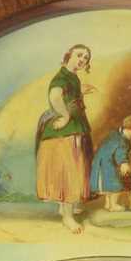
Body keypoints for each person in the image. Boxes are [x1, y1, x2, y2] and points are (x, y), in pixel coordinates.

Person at [35, 44, 93, 233]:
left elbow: (68, 95)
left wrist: (81, 93)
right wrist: (65, 116)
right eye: (79, 55)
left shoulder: (72, 77)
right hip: (64, 132)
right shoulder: (61, 77)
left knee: (74, 168)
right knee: (69, 173)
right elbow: (55, 96)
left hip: (75, 128)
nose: (82, 59)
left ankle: (63, 208)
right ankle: (68, 217)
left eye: (86, 57)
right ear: (68, 55)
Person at [90, 113, 131, 211]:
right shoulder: (123, 141)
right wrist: (124, 164)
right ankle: (113, 205)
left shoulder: (115, 133)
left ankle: (108, 204)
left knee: (108, 185)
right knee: (116, 185)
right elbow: (120, 154)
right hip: (106, 165)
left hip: (99, 162)